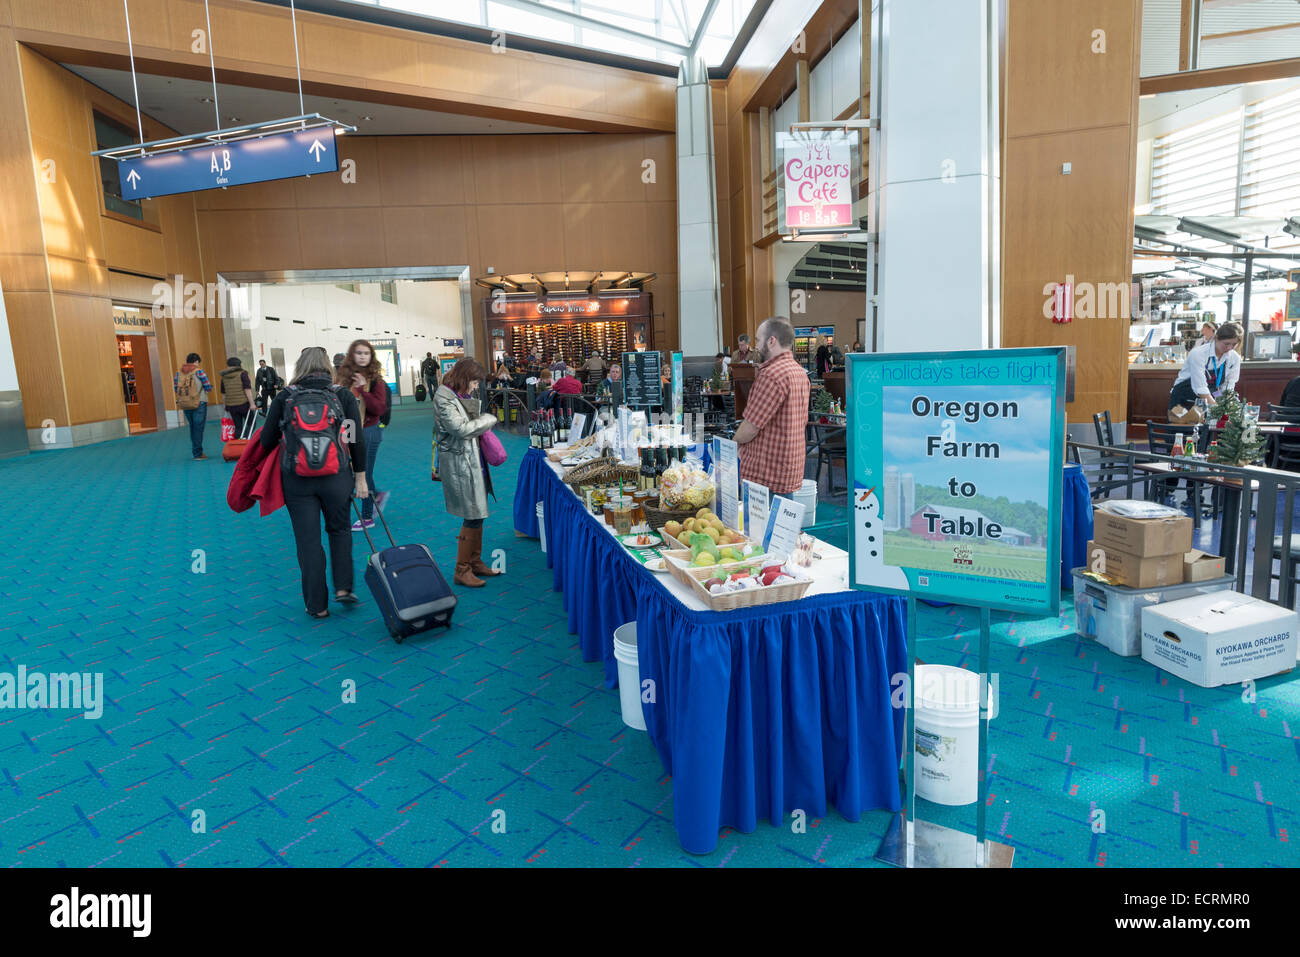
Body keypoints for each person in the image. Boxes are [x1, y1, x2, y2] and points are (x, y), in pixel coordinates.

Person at [260, 346, 368, 619]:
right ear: (327, 367)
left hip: (297, 480)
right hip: (336, 477)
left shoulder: (286, 397)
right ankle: (343, 587)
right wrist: (361, 476)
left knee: (308, 541)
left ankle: (316, 605)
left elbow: (265, 441)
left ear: (300, 367)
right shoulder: (341, 395)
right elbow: (355, 438)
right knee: (340, 531)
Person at [432, 358, 501, 588]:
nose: (474, 387)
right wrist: (488, 419)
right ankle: (461, 569)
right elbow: (461, 429)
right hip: (460, 462)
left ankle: (475, 562)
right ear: (463, 378)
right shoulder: (444, 396)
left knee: (478, 513)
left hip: (472, 458)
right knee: (471, 515)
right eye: (473, 382)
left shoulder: (459, 394)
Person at [734, 317, 811, 496]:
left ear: (771, 340)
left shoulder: (771, 375)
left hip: (765, 474)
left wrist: (732, 445)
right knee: (782, 524)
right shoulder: (799, 372)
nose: (757, 345)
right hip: (789, 468)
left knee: (758, 525)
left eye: (759, 340)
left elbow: (750, 428)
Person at [336, 339, 391, 531]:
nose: (362, 356)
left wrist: (362, 390)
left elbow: (379, 408)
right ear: (352, 355)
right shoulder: (342, 379)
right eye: (359, 353)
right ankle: (375, 495)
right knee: (352, 469)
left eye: (366, 353)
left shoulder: (376, 381)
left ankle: (367, 516)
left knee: (364, 471)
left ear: (371, 356)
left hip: (369, 430)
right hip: (348, 428)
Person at [1169, 321, 1241, 415]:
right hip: (1183, 399)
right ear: (1216, 338)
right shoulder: (1198, 354)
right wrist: (1217, 410)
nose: (1230, 348)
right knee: (1182, 428)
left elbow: (1228, 386)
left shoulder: (1234, 358)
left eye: (1234, 344)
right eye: (1226, 344)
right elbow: (1200, 388)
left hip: (1209, 399)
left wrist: (1227, 405)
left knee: (1209, 428)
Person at [174, 352, 213, 460]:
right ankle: (198, 453)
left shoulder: (179, 373)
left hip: (185, 403)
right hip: (199, 402)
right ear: (196, 361)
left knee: (192, 427)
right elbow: (208, 387)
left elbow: (176, 388)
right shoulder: (199, 371)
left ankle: (196, 451)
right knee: (198, 428)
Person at [219, 357, 256, 438]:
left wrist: (225, 405)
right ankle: (245, 439)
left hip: (231, 406)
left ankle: (237, 444)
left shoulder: (224, 376)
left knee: (238, 427)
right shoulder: (243, 374)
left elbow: (224, 394)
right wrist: (252, 404)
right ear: (239, 365)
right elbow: (247, 390)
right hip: (243, 405)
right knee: (251, 423)